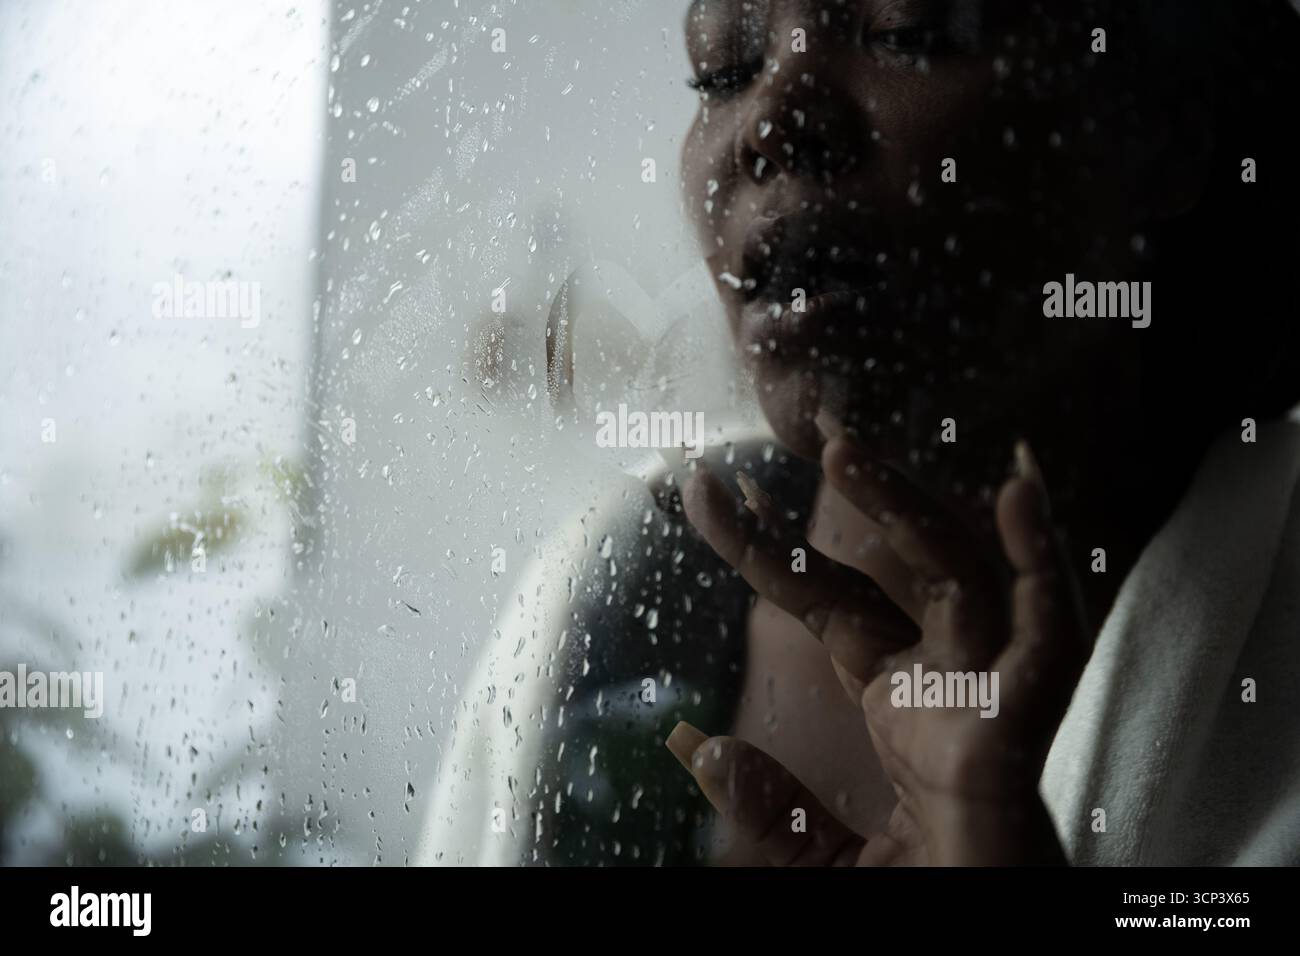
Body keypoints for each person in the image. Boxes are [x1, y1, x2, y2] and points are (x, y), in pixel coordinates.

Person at [664, 0, 1300, 865]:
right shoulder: (598, 629)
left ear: (1160, 125)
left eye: (903, 33)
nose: (771, 120)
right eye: (723, 70)